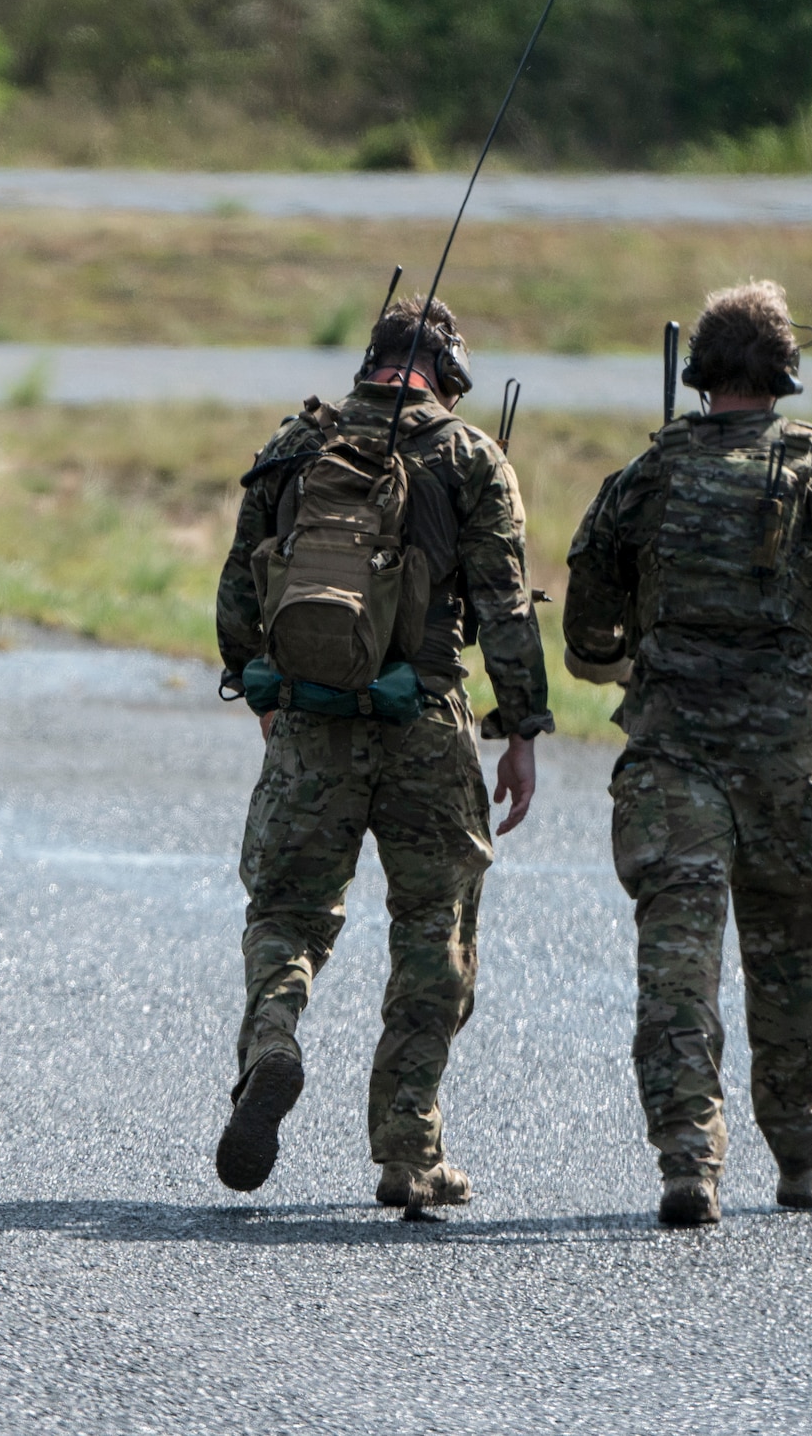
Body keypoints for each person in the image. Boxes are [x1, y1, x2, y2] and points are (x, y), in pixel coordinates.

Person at [563, 280, 812, 1228]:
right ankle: (803, 1153)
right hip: (789, 765)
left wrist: (640, 660)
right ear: (784, 375)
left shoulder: (642, 481)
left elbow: (585, 637)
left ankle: (688, 1164)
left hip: (672, 766)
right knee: (791, 967)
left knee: (677, 970)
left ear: (699, 375)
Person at [212, 297, 552, 1213]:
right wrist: (520, 729)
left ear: (370, 363)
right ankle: (409, 1150)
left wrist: (270, 701)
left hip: (311, 722)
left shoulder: (294, 445)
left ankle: (274, 1040)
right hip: (426, 728)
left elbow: (240, 603)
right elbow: (507, 608)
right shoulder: (471, 456)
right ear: (448, 375)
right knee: (433, 932)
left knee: (287, 912)